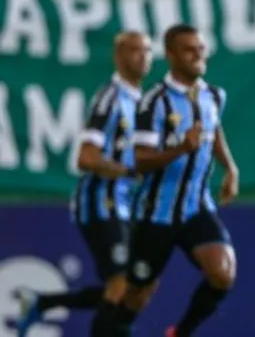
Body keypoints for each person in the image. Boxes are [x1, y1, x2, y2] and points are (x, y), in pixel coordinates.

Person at [16, 32, 151, 337]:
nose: (141, 57)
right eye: (133, 50)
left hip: (125, 204)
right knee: (121, 283)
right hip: (102, 200)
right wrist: (127, 171)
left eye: (146, 50)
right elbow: (86, 157)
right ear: (118, 57)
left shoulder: (140, 103)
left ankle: (43, 302)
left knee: (136, 285)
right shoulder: (111, 98)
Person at [109, 24, 241, 337]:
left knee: (222, 272)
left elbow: (214, 130)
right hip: (157, 211)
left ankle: (180, 333)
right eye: (189, 50)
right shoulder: (154, 102)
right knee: (137, 294)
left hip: (197, 206)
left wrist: (230, 169)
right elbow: (140, 160)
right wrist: (181, 147)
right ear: (171, 55)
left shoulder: (213, 95)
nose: (198, 55)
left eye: (201, 48)